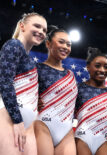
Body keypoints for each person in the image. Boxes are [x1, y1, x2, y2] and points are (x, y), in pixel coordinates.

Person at [0, 12, 47, 154]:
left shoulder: (29, 59)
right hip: (10, 118)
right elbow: (4, 83)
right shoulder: (13, 45)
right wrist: (17, 120)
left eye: (44, 30)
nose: (41, 32)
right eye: (37, 26)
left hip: (27, 125)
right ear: (22, 26)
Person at [34, 26, 77, 155]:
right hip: (43, 125)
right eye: (61, 42)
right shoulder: (36, 69)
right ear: (48, 44)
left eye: (68, 44)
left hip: (66, 131)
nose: (65, 47)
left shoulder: (70, 75)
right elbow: (20, 95)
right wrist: (32, 102)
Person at [74, 47, 107, 155]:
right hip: (82, 139)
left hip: (102, 141)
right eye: (97, 66)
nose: (102, 70)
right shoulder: (78, 89)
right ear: (88, 67)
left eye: (106, 67)